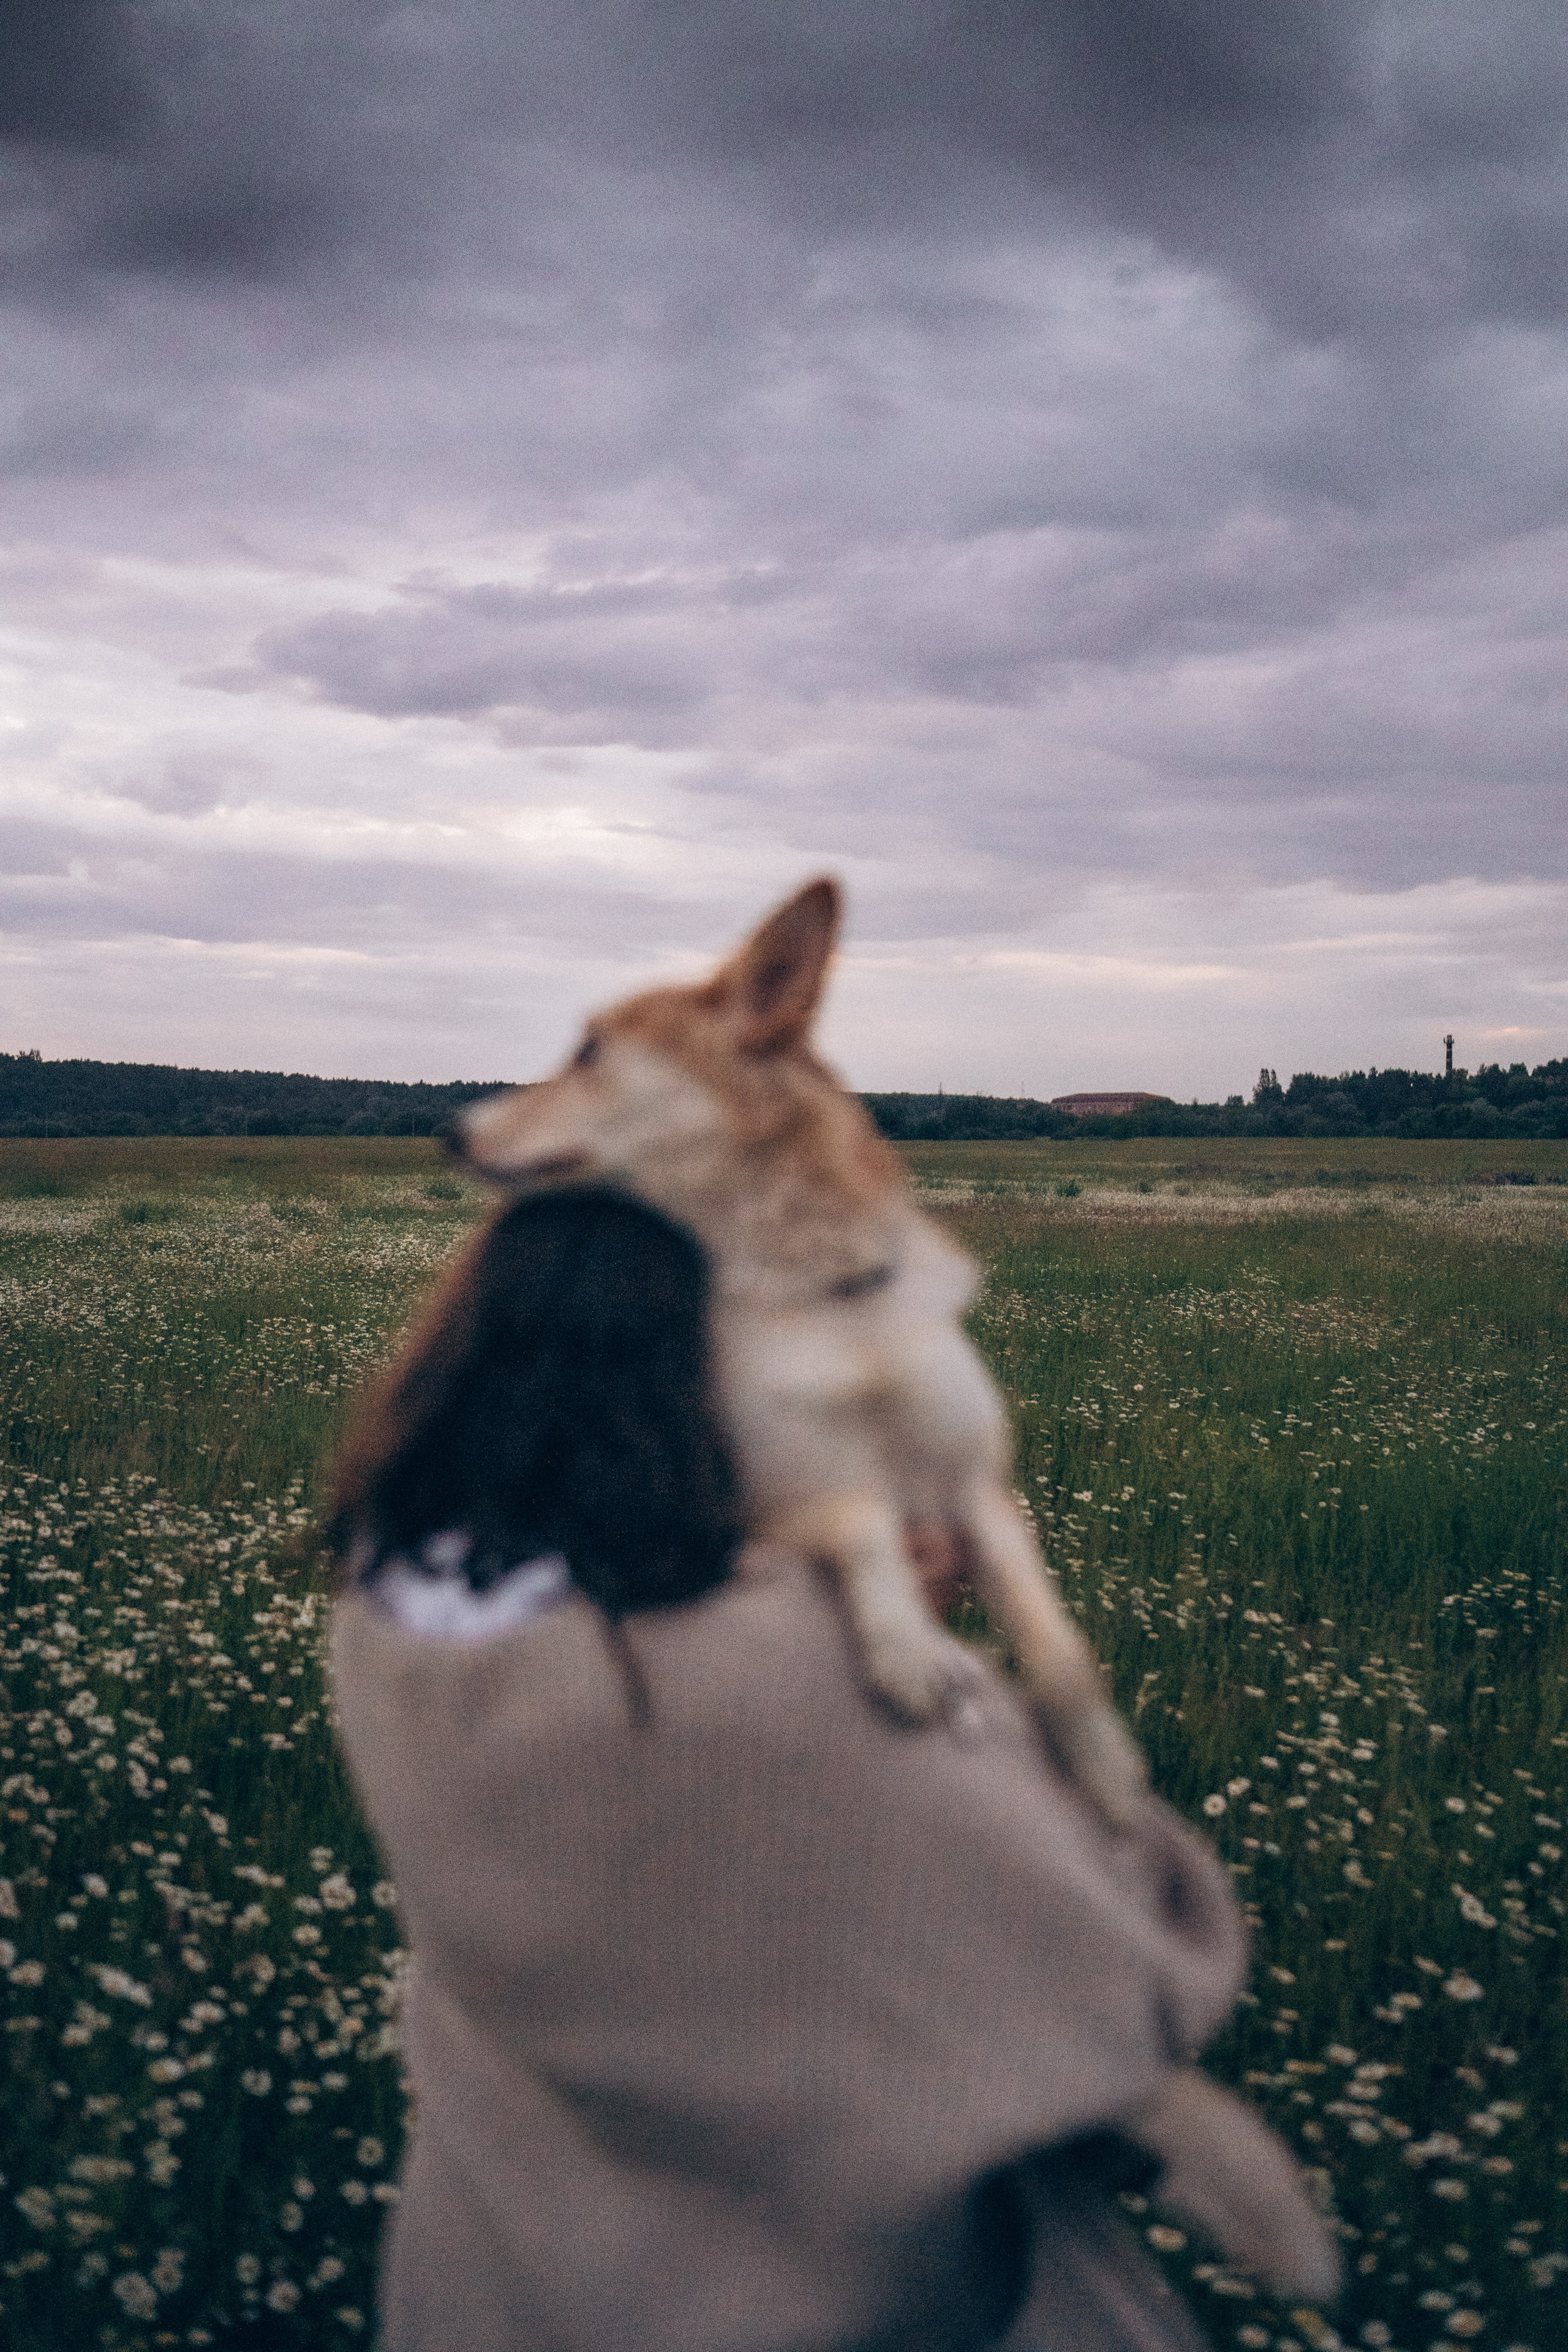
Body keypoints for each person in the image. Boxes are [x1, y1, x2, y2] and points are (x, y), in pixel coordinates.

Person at [327, 1188, 1274, 2352]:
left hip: (506, 2283)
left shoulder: (397, 1619)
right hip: (821, 2300)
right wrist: (918, 1658)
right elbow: (1136, 1971)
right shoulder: (796, 1671)